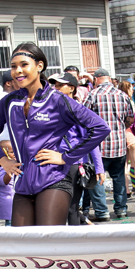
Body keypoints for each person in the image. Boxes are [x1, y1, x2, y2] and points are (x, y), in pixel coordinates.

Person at [0, 43, 109, 227]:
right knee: (22, 245)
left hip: (54, 179)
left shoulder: (57, 99)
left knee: (49, 242)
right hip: (23, 182)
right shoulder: (9, 102)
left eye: (24, 65)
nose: (18, 71)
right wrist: (3, 160)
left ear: (39, 66)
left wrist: (66, 157)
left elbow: (99, 127)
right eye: (13, 66)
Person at [49, 73, 104, 225]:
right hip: (52, 163)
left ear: (71, 88)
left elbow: (91, 139)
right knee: (58, 206)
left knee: (71, 207)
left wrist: (99, 167)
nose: (56, 88)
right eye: (55, 85)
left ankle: (75, 244)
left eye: (60, 85)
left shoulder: (78, 110)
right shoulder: (51, 109)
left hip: (73, 163)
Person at [83, 68, 133, 220]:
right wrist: (120, 126)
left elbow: (83, 116)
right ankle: (121, 209)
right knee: (119, 178)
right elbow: (130, 118)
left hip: (98, 146)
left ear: (97, 79)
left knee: (97, 178)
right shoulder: (122, 95)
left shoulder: (93, 95)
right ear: (109, 79)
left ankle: (102, 211)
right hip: (119, 144)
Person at [118, 80, 135, 199]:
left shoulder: (118, 101)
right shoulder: (129, 102)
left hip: (120, 135)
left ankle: (127, 191)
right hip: (131, 134)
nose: (133, 90)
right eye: (130, 88)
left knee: (124, 166)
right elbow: (132, 119)